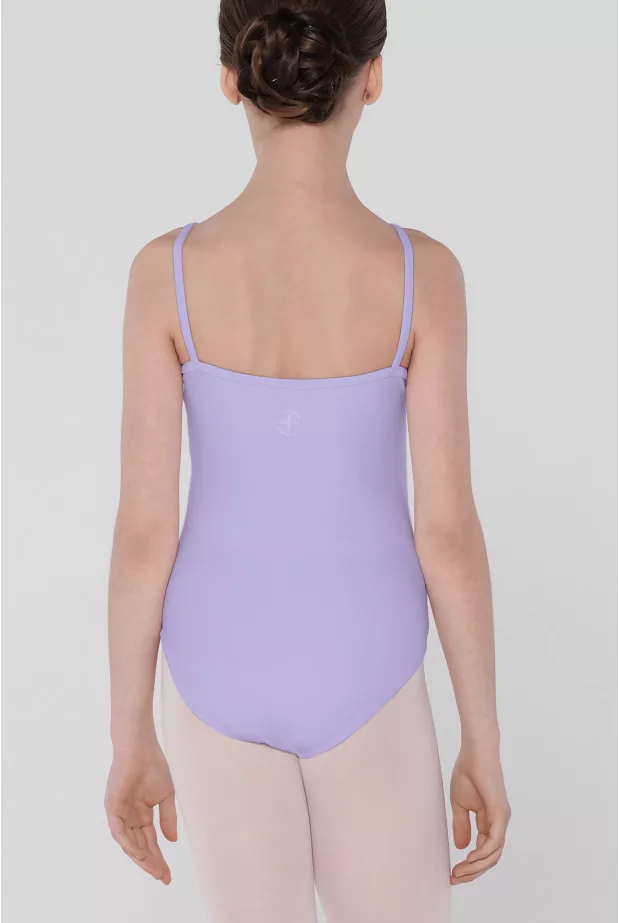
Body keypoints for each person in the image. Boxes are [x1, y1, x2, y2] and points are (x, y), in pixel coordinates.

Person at [105, 2, 511, 920]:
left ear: (230, 78)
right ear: (374, 75)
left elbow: (143, 534)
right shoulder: (422, 275)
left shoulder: (166, 273)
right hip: (367, 663)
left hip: (214, 669)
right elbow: (446, 532)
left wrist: (130, 735)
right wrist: (481, 738)